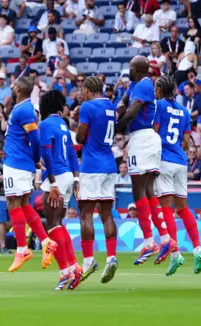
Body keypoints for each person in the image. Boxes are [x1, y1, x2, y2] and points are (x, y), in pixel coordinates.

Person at [115, 56, 169, 266]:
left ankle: (149, 241)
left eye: (130, 67)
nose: (128, 69)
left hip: (143, 138)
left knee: (138, 191)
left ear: (137, 69)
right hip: (145, 140)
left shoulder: (145, 85)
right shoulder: (137, 85)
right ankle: (164, 238)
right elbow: (123, 103)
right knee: (147, 191)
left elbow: (132, 111)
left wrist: (116, 126)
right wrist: (118, 109)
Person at [153, 75, 201, 275]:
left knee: (165, 207)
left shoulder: (158, 106)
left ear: (160, 90)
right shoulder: (184, 111)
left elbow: (155, 135)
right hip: (181, 162)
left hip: (164, 161)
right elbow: (185, 141)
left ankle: (175, 254)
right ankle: (198, 248)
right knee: (183, 208)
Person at [3, 77, 54, 273]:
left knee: (13, 203)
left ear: (17, 88)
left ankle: (22, 249)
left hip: (17, 162)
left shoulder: (24, 109)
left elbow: (34, 136)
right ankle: (45, 241)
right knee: (23, 204)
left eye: (13, 84)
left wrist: (35, 159)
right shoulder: (23, 108)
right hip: (19, 162)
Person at [75, 76, 119, 284]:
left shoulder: (87, 107)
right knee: (107, 213)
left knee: (86, 213)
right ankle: (111, 256)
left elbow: (80, 137)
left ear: (88, 90)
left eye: (83, 90)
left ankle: (88, 261)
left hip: (92, 165)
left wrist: (77, 121)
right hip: (110, 164)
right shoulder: (111, 106)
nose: (82, 93)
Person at [37, 90, 81, 291]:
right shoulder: (63, 124)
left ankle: (65, 271)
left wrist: (52, 183)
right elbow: (72, 153)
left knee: (53, 225)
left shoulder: (46, 124)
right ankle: (73, 267)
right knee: (58, 224)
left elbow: (46, 153)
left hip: (55, 177)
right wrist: (77, 178)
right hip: (68, 177)